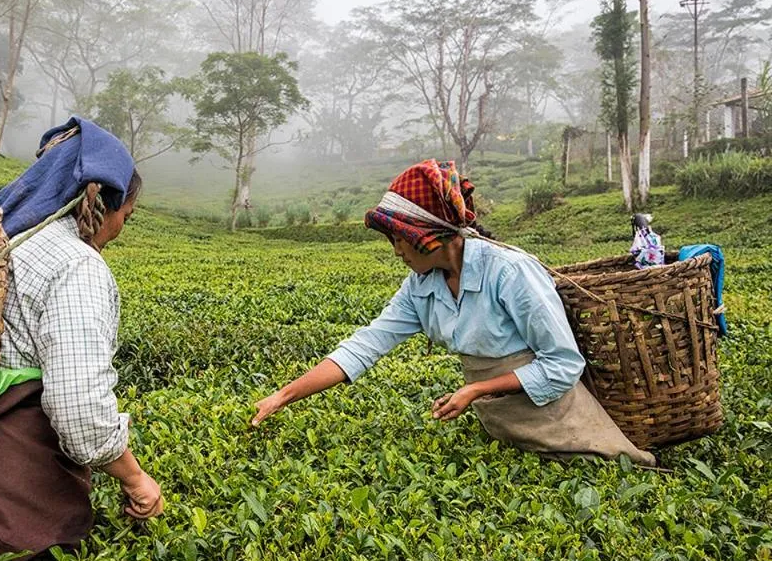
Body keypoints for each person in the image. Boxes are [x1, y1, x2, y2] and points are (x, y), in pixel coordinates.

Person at [252, 159, 656, 467]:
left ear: (427, 238)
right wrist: (284, 395)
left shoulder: (510, 272)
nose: (396, 251)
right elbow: (366, 345)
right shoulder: (421, 287)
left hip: (560, 419)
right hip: (502, 426)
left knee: (609, 465)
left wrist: (477, 389)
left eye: (400, 240)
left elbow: (564, 363)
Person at [0, 117, 163, 561]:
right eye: (129, 214)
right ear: (106, 204)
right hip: (17, 526)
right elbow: (79, 410)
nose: (123, 227)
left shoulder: (1, 247)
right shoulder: (76, 267)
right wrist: (137, 479)